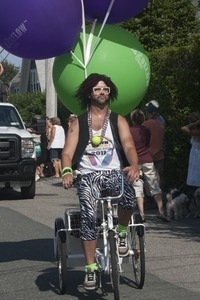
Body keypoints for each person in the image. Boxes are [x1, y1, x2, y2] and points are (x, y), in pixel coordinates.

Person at [61, 73, 139, 291]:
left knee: (129, 197)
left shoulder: (118, 119)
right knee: (87, 215)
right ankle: (91, 268)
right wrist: (67, 171)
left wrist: (134, 165)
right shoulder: (78, 122)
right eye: (97, 89)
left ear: (110, 92)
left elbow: (129, 145)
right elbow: (67, 153)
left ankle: (122, 232)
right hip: (87, 175)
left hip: (113, 172)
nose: (102, 92)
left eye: (105, 89)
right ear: (89, 93)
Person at [130, 109, 169, 222]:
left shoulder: (129, 131)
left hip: (135, 160)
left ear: (132, 119)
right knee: (154, 185)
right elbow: (147, 142)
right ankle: (161, 211)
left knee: (138, 187)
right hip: (147, 158)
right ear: (143, 119)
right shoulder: (145, 129)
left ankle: (142, 214)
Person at [181, 111, 200, 217]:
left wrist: (195, 124)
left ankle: (197, 210)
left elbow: (184, 128)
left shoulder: (197, 132)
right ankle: (195, 209)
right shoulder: (195, 130)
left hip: (198, 157)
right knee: (193, 182)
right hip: (194, 156)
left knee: (196, 183)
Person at [143, 102, 165, 191]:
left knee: (149, 177)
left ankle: (151, 196)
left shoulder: (145, 124)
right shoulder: (161, 123)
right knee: (158, 175)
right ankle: (160, 194)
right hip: (160, 152)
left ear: (148, 113)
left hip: (149, 154)